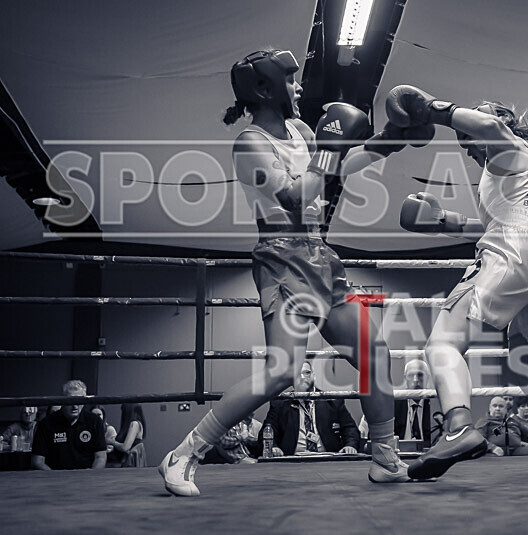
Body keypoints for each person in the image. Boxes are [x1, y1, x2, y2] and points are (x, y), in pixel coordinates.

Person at [159, 49, 434, 496]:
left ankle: (385, 457)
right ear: (265, 89)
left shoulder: (301, 132)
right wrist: (328, 149)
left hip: (319, 255)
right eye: (290, 80)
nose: (299, 86)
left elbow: (338, 166)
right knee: (283, 370)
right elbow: (292, 196)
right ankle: (185, 453)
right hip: (280, 257)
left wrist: (387, 140)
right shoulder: (249, 144)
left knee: (375, 354)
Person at [388, 85, 528, 480]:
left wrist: (433, 109)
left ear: (501, 121)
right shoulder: (524, 169)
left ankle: (458, 427)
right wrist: (443, 221)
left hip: (513, 252)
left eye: (472, 125)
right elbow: (499, 221)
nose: (465, 138)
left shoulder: (508, 146)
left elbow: (488, 128)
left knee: (443, 343)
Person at [260, 361, 360, 456]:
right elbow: (267, 431)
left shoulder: (331, 400)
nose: (302, 377)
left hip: (327, 458)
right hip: (292, 460)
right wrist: (273, 447)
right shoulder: (281, 403)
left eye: (307, 373)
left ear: (314, 376)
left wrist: (350, 445)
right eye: (297, 374)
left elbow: (350, 428)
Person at [31, 380, 106, 470]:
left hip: (86, 476)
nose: (75, 406)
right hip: (55, 475)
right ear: (62, 401)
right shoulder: (46, 424)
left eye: (79, 401)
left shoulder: (94, 421)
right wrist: (54, 476)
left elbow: (100, 457)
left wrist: (91, 475)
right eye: (71, 401)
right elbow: (37, 461)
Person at [361, 359, 434, 446]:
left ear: (428, 377)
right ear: (405, 378)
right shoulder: (392, 404)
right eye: (411, 375)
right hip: (398, 451)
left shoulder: (435, 404)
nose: (415, 380)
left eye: (420, 375)